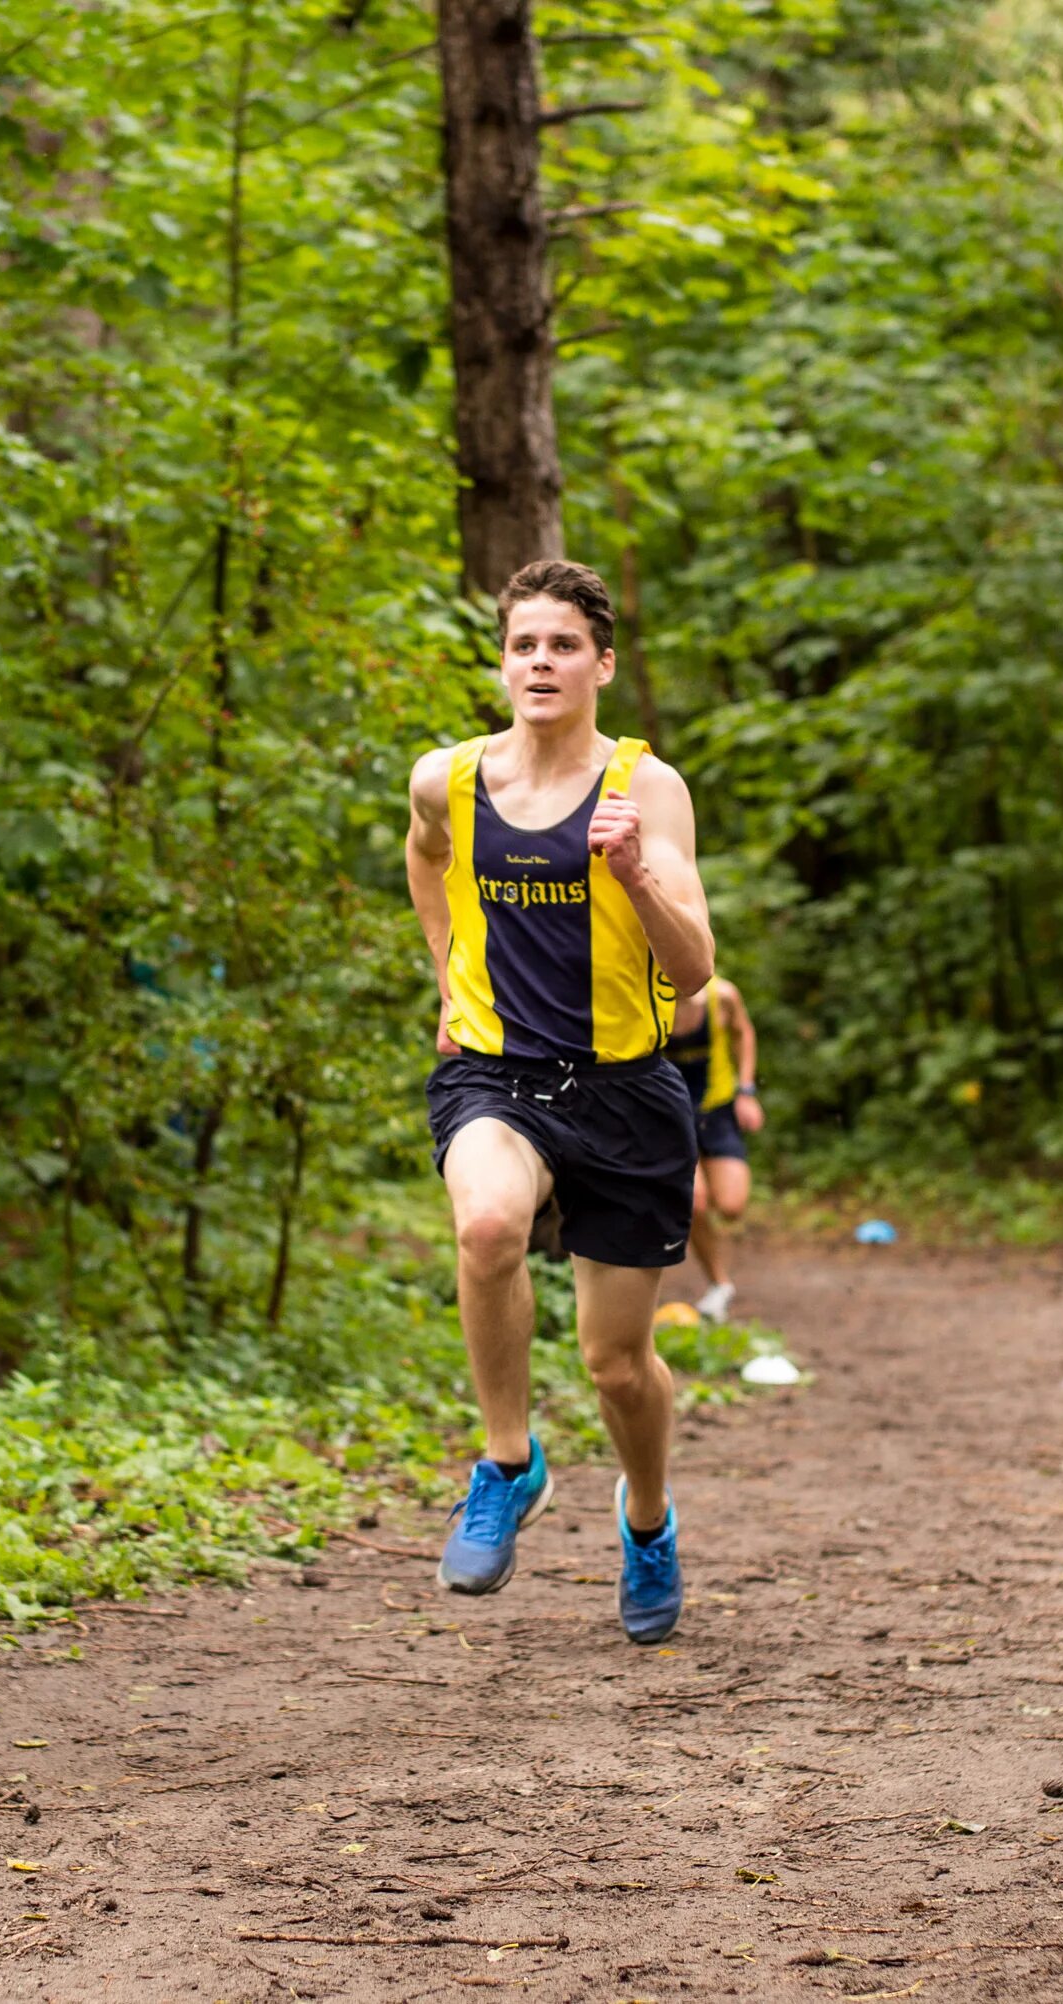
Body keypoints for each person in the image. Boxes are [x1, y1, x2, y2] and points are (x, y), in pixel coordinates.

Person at [403, 559, 715, 1642]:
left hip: (626, 1091)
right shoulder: (445, 777)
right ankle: (506, 1461)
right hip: (498, 1072)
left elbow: (694, 971)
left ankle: (646, 1520)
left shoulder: (648, 788)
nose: (541, 662)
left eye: (563, 645)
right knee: (486, 1223)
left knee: (618, 1367)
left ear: (602, 664)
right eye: (523, 644)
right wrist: (449, 976)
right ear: (502, 662)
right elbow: (426, 858)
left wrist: (634, 875)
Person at [666, 979, 763, 1322]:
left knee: (731, 1206)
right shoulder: (647, 998)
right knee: (694, 1202)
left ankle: (713, 1259)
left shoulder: (722, 996)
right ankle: (719, 1283)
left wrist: (747, 1090)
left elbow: (743, 1033)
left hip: (718, 1109)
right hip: (672, 1116)